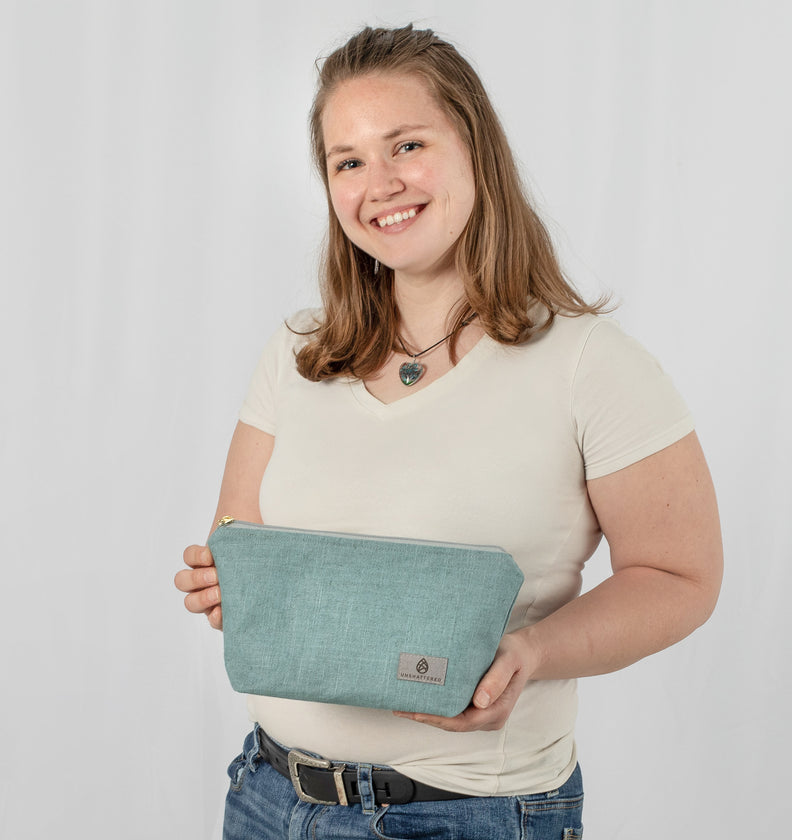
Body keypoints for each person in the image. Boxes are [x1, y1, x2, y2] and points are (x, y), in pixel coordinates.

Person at [175, 23, 723, 840]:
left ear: (475, 147)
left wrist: (530, 656)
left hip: (474, 814)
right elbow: (239, 534)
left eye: (407, 145)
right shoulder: (298, 353)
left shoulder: (588, 365)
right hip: (271, 798)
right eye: (348, 161)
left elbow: (681, 576)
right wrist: (228, 584)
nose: (380, 183)